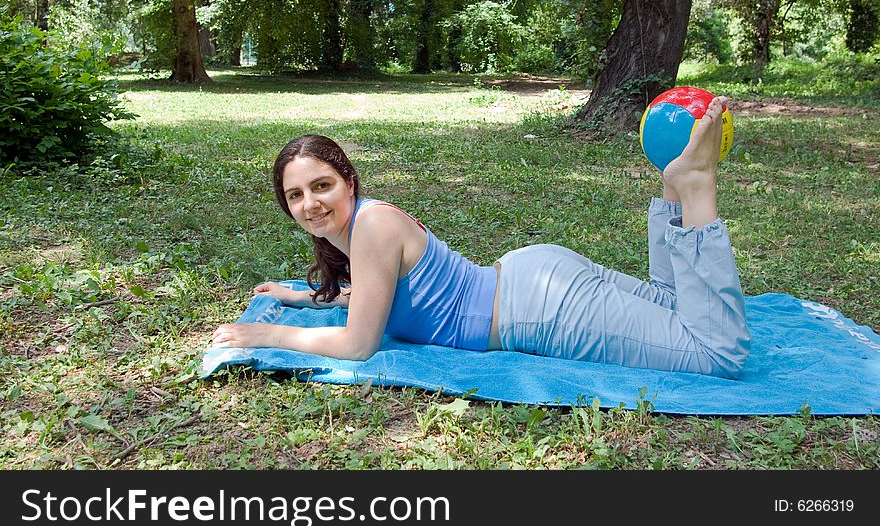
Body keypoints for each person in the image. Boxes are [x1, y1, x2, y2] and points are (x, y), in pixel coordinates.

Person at [211, 96, 751, 378]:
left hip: (539, 310)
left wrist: (265, 335)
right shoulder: (361, 228)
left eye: (322, 185)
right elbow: (372, 300)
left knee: (717, 353)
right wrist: (299, 298)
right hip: (534, 280)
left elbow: (357, 344)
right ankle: (673, 193)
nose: (311, 204)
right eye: (296, 195)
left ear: (349, 182)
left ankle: (694, 189)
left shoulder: (372, 226)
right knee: (668, 302)